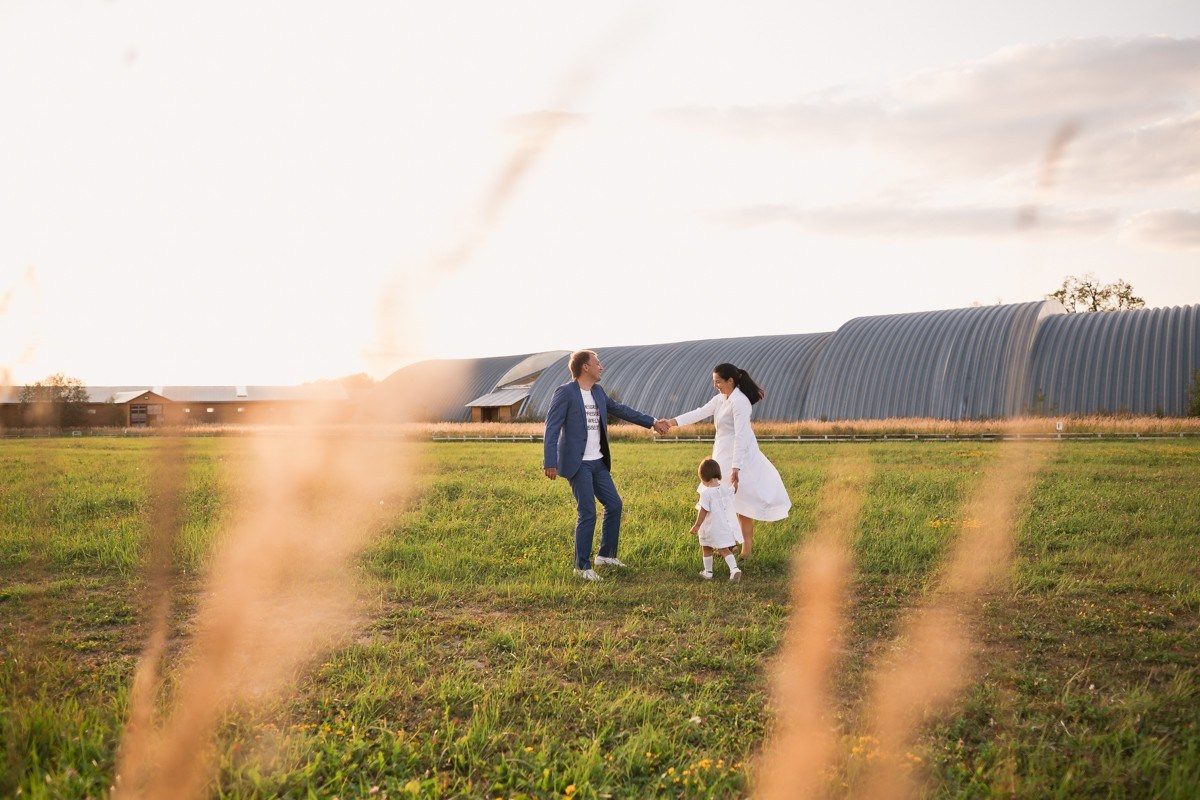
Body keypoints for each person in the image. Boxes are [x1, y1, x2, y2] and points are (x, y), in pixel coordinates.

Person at [543, 349, 671, 581]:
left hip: (598, 462)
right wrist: (550, 461)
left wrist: (652, 422)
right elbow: (552, 428)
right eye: (597, 363)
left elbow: (621, 410)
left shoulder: (598, 392)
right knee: (588, 512)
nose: (601, 367)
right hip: (578, 463)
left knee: (614, 505)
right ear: (585, 367)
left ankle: (606, 556)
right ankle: (581, 567)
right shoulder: (565, 393)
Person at [661, 363, 790, 558]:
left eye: (718, 382)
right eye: (714, 382)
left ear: (730, 381)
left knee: (742, 502)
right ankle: (728, 544)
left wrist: (736, 468)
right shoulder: (721, 399)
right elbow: (699, 412)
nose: (716, 386)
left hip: (740, 456)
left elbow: (741, 435)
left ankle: (746, 549)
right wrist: (671, 422)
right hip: (722, 453)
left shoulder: (740, 402)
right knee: (721, 501)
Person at [690, 458, 743, 582]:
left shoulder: (706, 494)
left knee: (706, 548)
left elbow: (703, 511)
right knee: (723, 549)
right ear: (718, 474)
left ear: (703, 478)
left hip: (710, 528)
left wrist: (697, 525)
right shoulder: (725, 489)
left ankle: (708, 572)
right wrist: (735, 483)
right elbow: (733, 490)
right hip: (724, 528)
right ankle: (734, 569)